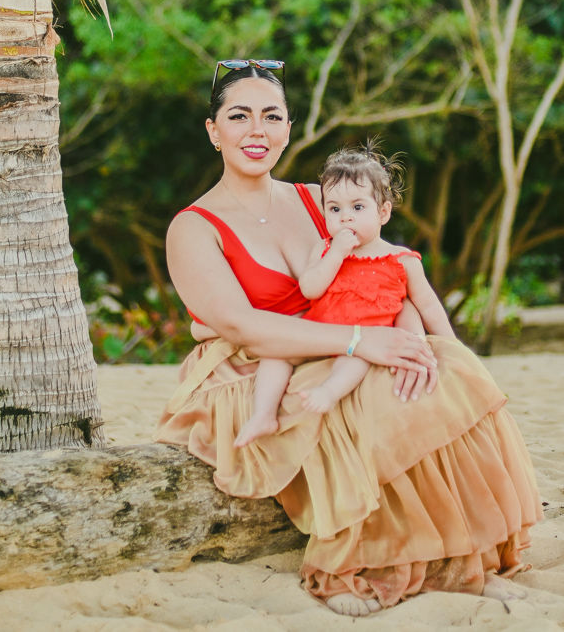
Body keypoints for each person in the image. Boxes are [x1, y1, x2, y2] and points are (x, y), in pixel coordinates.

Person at [156, 59, 542, 618]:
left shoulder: (324, 198)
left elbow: (383, 277)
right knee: (362, 398)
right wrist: (360, 341)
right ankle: (363, 564)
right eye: (239, 116)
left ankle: (467, 565)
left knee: (447, 372)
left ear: (289, 128)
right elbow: (239, 327)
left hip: (339, 339)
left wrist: (410, 340)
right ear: (214, 131)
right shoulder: (192, 226)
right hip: (254, 365)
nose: (257, 131)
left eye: (272, 116)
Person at [233, 142, 458, 448]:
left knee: (355, 362)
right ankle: (263, 414)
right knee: (277, 353)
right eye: (335, 209)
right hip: (320, 332)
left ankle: (328, 392)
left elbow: (428, 305)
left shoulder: (401, 260)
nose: (345, 218)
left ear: (383, 213)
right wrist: (336, 254)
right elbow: (310, 288)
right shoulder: (325, 248)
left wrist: (450, 344)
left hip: (366, 340)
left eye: (358, 207)